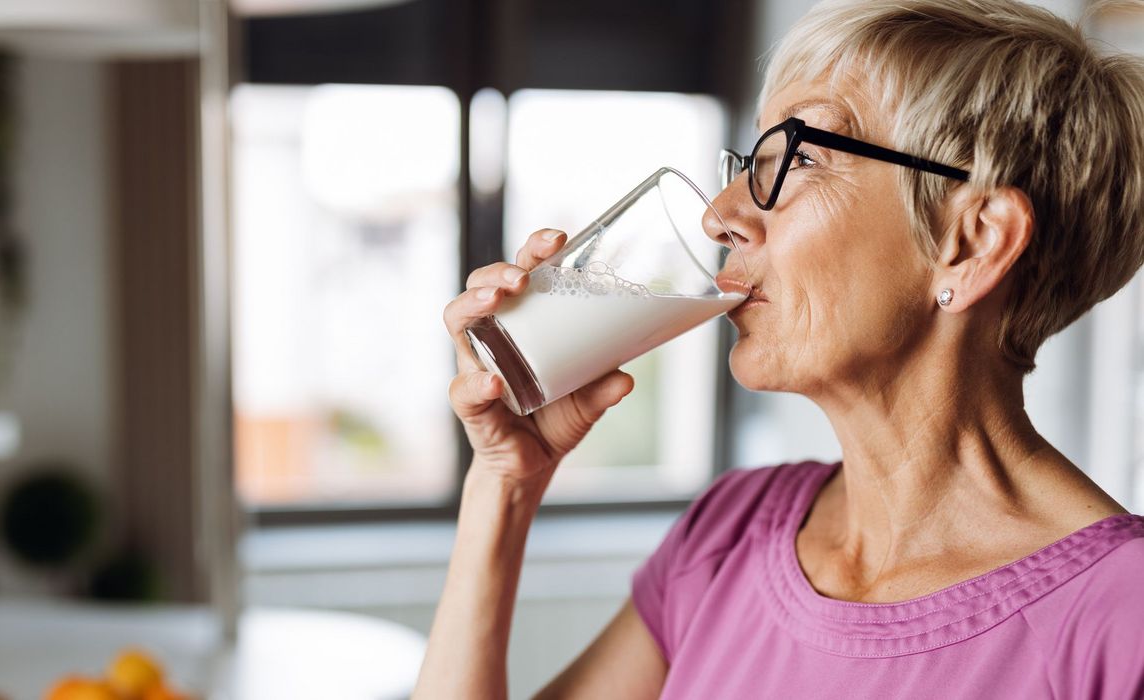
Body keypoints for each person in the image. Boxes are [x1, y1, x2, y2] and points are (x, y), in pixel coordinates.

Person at [414, 0, 1144, 696]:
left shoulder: (1122, 622)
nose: (719, 215)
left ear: (973, 243)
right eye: (747, 163)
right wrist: (503, 486)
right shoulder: (732, 531)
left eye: (798, 158)